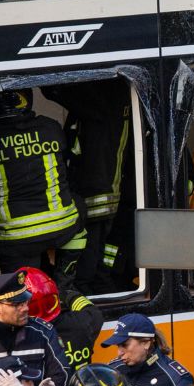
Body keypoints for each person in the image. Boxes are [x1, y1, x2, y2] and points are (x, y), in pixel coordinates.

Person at [42, 80, 133, 293]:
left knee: (85, 272)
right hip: (102, 196)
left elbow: (68, 95)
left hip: (95, 200)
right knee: (97, 269)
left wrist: (45, 82)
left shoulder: (105, 103)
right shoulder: (114, 102)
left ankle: (89, 305)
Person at [0, 89, 86, 282]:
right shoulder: (50, 127)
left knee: (24, 291)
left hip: (17, 238)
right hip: (62, 227)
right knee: (80, 207)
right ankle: (64, 281)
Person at [21, 266, 104, 371]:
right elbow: (93, 311)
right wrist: (68, 295)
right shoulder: (81, 322)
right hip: (84, 380)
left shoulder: (21, 338)